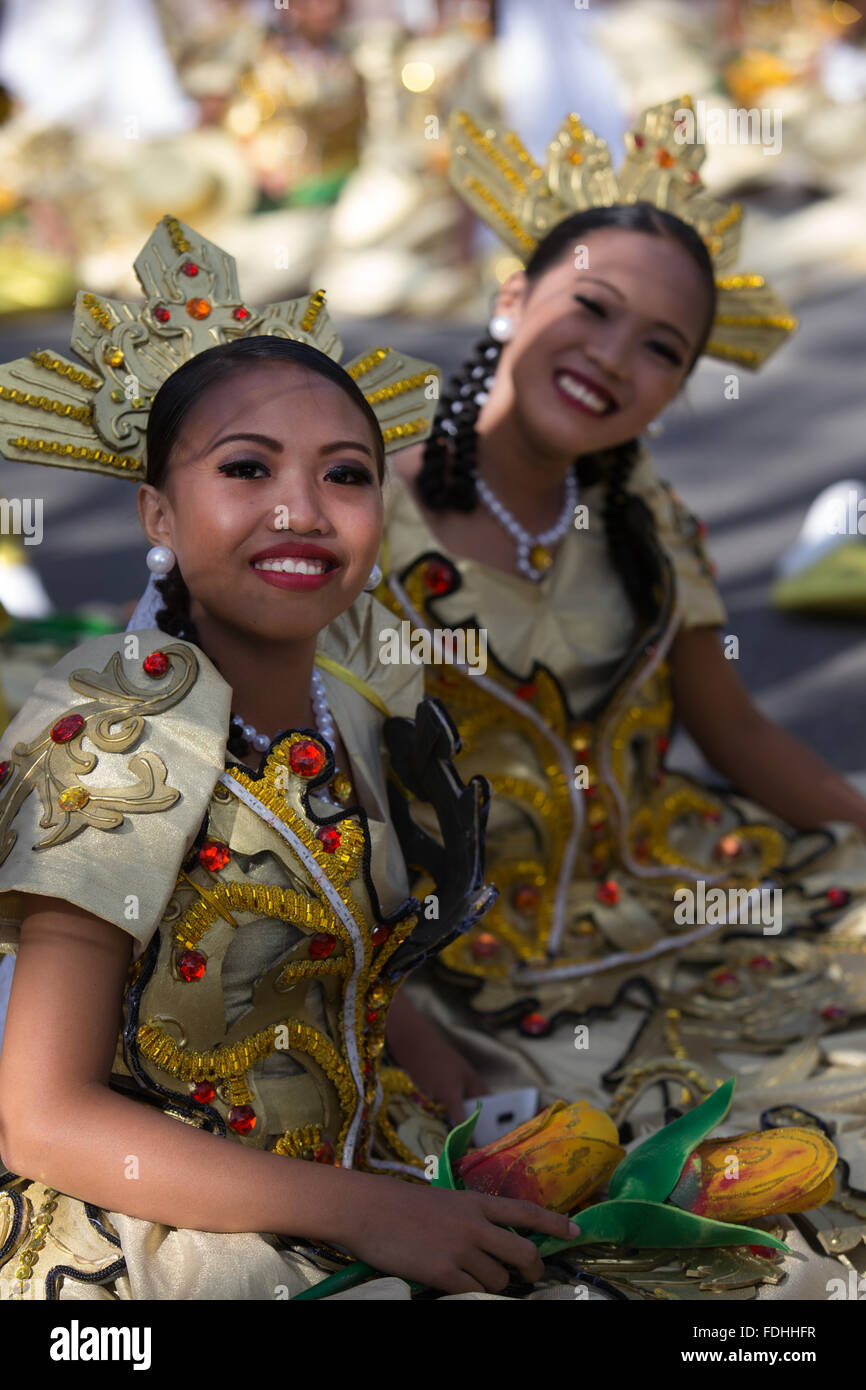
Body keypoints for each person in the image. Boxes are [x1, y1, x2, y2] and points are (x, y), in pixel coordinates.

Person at [0, 215, 577, 1300]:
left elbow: (312, 911)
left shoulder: (357, 692)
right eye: (246, 467)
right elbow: (41, 1117)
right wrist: (369, 1214)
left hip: (366, 1157)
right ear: (158, 512)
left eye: (345, 474)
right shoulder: (117, 737)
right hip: (162, 1223)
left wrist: (427, 1048)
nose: (299, 510)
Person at [377, 102, 866, 1282]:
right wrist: (402, 1030)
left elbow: (734, 729)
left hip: (680, 894)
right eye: (589, 308)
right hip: (464, 968)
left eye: (660, 346)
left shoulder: (640, 511)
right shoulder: (361, 512)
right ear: (510, 298)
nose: (611, 358)